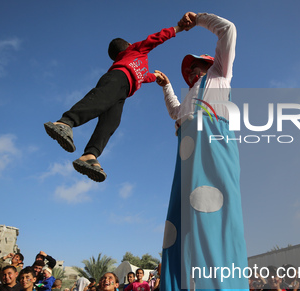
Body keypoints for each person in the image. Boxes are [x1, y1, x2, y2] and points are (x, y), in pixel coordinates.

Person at [155, 11, 262, 291]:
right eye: (190, 71)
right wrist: (167, 86)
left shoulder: (220, 77)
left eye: (198, 66)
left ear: (210, 63)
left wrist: (197, 18)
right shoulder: (186, 97)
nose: (194, 73)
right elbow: (176, 112)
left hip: (213, 152)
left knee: (213, 222)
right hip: (186, 163)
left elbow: (229, 29)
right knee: (178, 236)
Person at [43, 17, 190, 183]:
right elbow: (155, 38)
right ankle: (65, 122)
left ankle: (90, 155)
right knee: (99, 101)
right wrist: (178, 28)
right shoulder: (135, 50)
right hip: (117, 79)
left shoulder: (133, 62)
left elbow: (141, 77)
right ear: (128, 46)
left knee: (112, 122)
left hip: (123, 91)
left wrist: (155, 76)